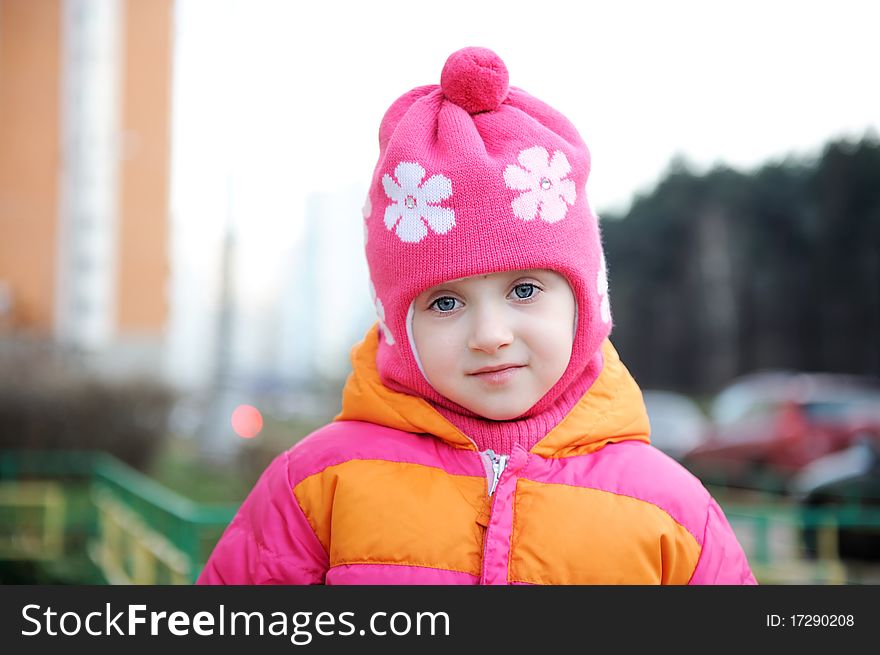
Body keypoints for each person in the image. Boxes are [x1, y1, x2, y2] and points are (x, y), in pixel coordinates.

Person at [197, 47, 756, 585]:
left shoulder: (673, 512)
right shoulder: (317, 486)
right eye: (445, 302)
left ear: (584, 306)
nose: (490, 335)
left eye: (525, 289)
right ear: (398, 326)